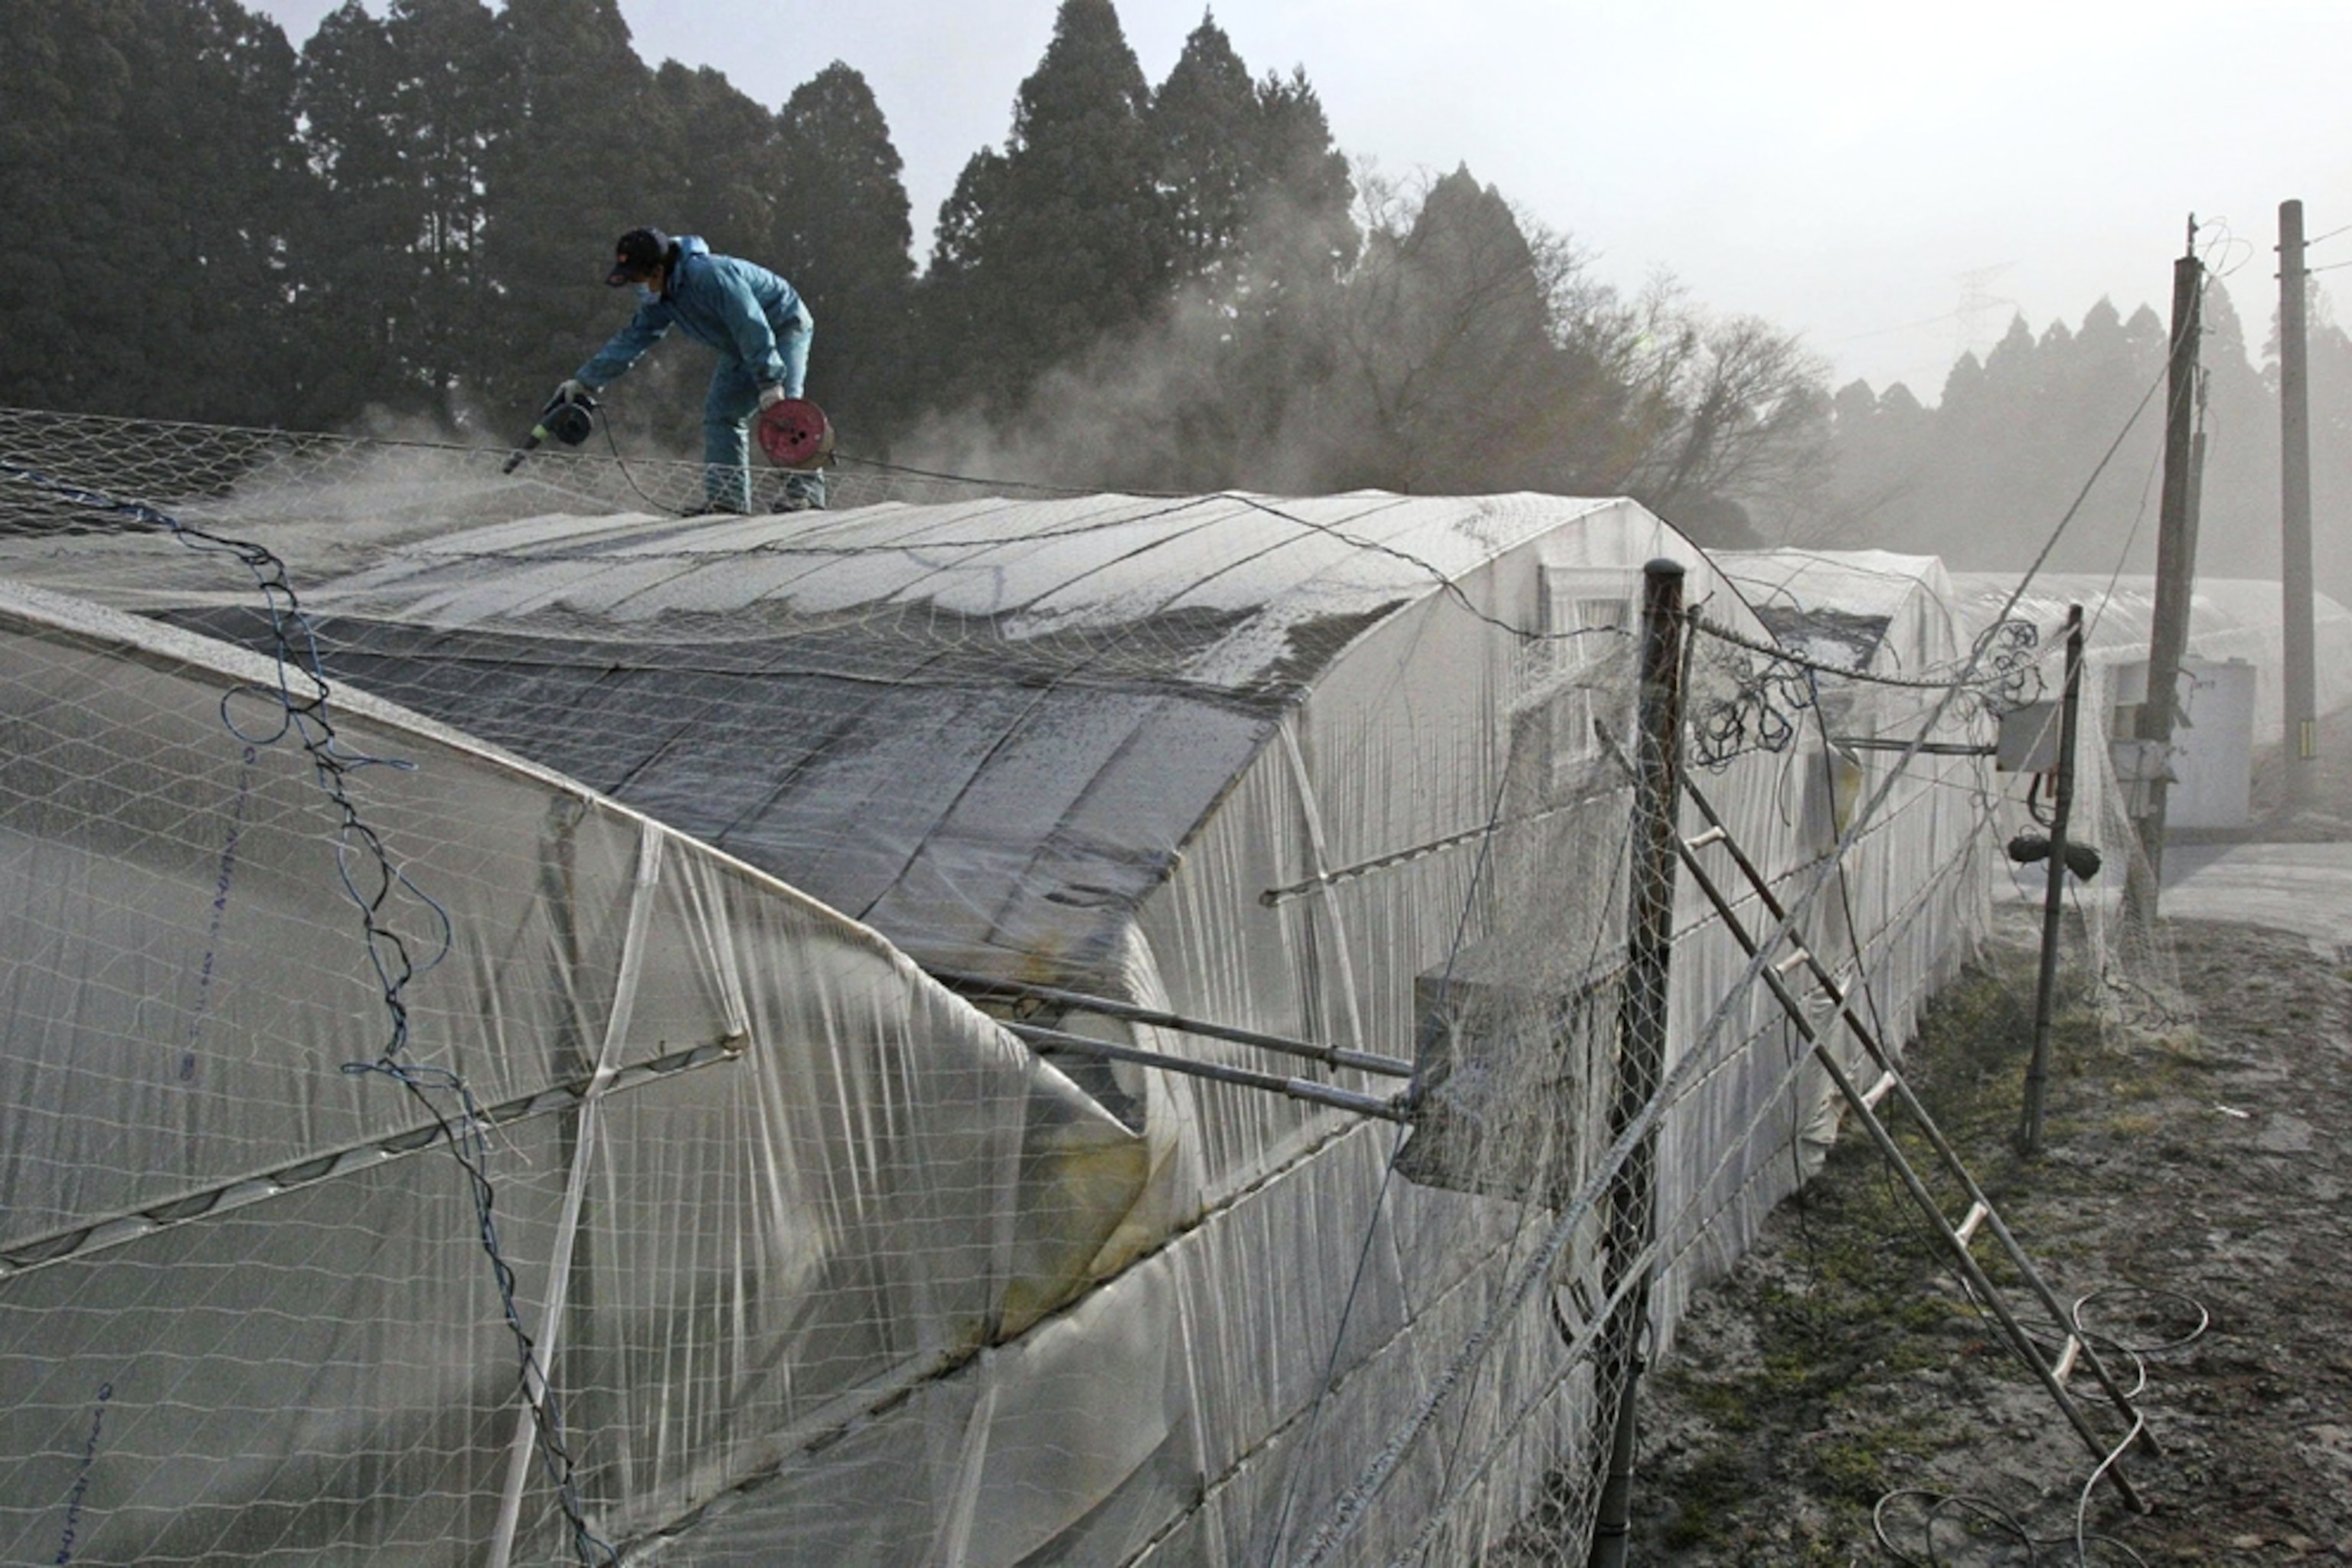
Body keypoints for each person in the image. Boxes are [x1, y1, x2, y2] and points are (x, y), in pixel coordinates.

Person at [556, 227, 826, 514]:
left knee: (786, 412)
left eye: (637, 277)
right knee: (721, 414)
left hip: (784, 325)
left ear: (658, 270)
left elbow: (750, 323)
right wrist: (585, 381)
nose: (636, 285)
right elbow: (632, 339)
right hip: (741, 342)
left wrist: (770, 381)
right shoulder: (662, 298)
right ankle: (727, 501)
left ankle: (805, 496)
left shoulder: (708, 276)